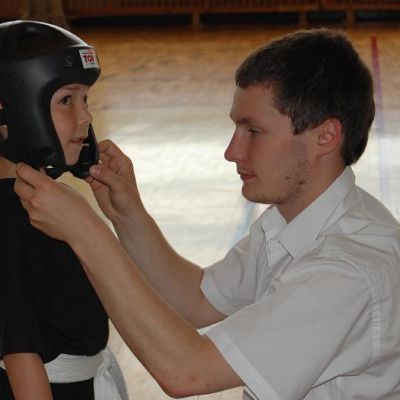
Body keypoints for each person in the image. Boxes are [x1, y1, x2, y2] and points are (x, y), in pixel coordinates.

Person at [14, 28, 400, 399]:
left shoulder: (350, 270)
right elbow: (196, 300)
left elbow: (188, 371)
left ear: (325, 137)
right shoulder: (296, 221)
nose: (232, 152)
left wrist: (87, 233)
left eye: (253, 131)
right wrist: (127, 215)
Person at [0, 20, 128, 400]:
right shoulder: (8, 220)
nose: (86, 117)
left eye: (85, 99)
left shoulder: (47, 203)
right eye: (67, 100)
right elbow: (19, 352)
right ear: (10, 112)